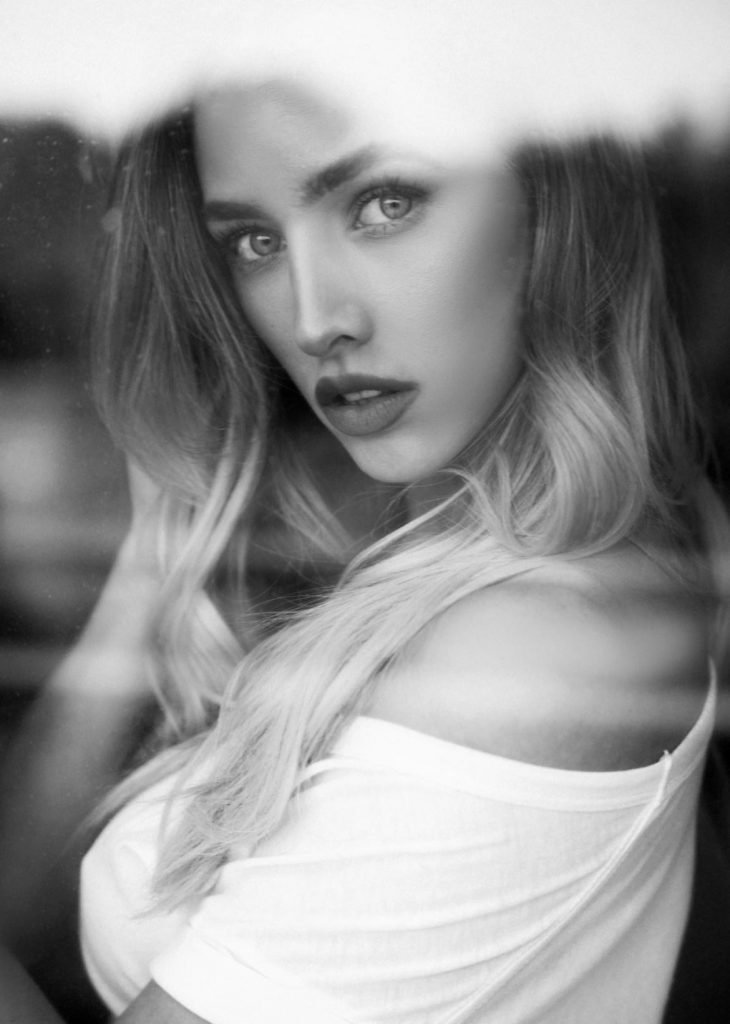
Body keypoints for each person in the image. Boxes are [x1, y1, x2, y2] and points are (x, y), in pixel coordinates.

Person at [1, 75, 728, 1023]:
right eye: (254, 241)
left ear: (552, 203)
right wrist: (156, 562)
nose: (314, 320)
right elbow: (23, 906)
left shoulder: (537, 646)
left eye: (385, 204)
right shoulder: (435, 538)